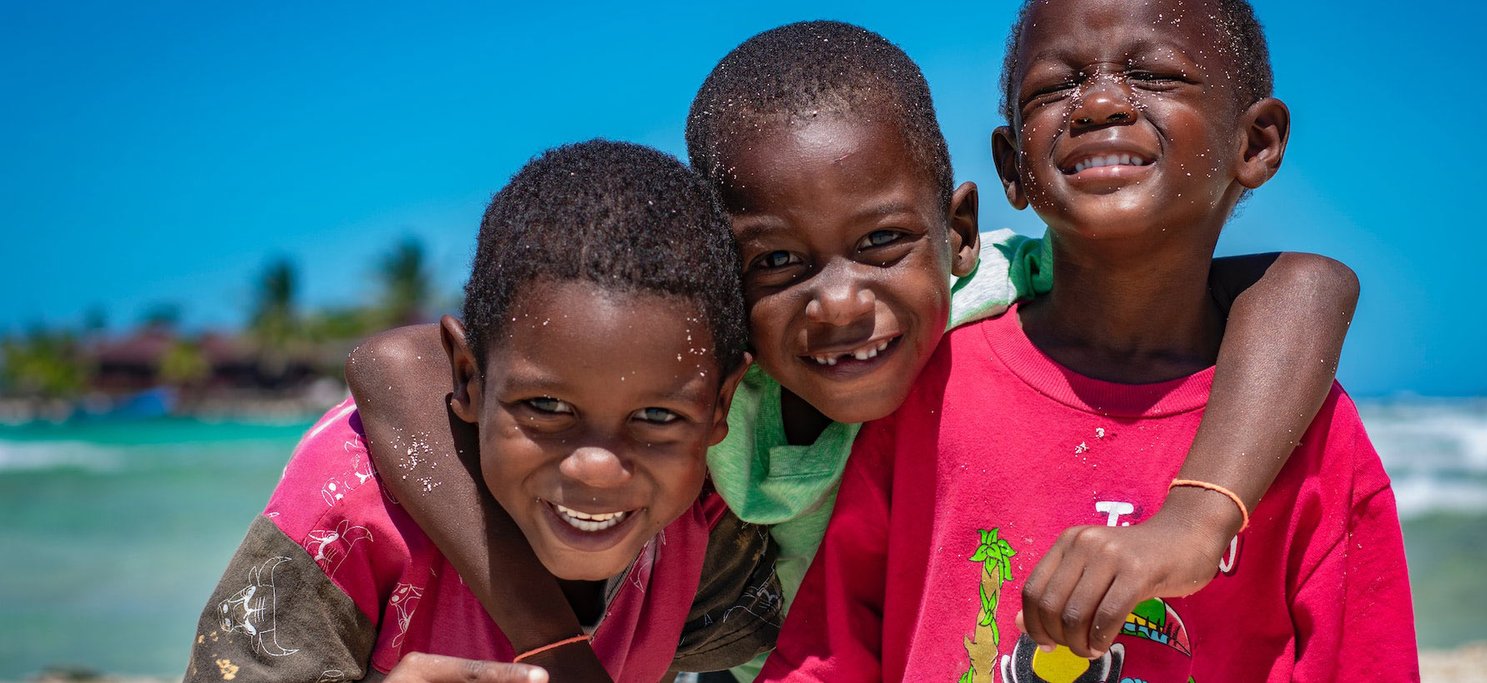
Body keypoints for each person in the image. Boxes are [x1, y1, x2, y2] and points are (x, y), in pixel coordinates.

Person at [347, 20, 1362, 680]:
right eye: (777, 261)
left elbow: (1305, 285)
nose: (839, 302)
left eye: (881, 244)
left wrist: (1198, 515)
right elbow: (394, 367)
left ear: (957, 232)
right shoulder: (706, 360)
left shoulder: (991, 294)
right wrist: (561, 656)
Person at [758, 2, 1419, 681]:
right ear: (1012, 166)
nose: (1099, 104)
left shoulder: (1300, 427)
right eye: (1054, 88)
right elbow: (828, 657)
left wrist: (1194, 522)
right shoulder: (934, 381)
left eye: (1155, 76)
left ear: (1255, 143)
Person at [183, 140, 772, 683]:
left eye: (657, 417)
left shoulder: (718, 507)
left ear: (720, 404)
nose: (596, 468)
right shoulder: (349, 512)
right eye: (546, 407)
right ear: (467, 375)